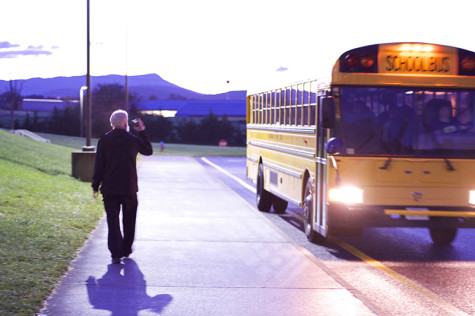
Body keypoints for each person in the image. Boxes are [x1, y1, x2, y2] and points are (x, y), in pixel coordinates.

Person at [92, 110, 153, 264]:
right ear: (125, 122)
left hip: (110, 188)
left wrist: (95, 185)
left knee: (113, 222)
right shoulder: (133, 139)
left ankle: (115, 254)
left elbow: (99, 165)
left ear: (112, 123)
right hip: (129, 188)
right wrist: (142, 132)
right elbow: (148, 151)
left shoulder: (104, 140)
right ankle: (126, 248)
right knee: (129, 219)